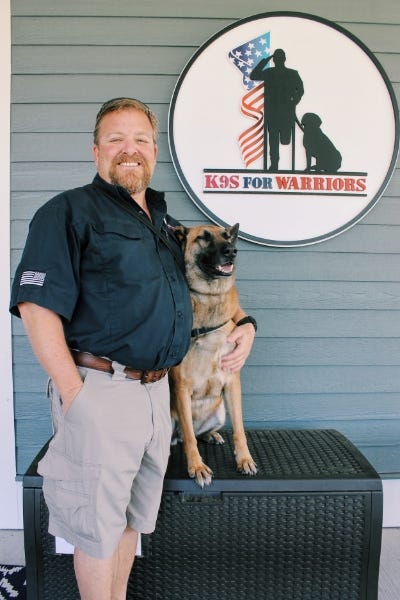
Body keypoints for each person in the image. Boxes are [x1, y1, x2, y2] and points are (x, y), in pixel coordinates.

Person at [10, 97, 256, 600]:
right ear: (96, 150)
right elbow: (37, 307)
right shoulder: (68, 212)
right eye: (117, 139)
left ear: (155, 150)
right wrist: (75, 394)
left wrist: (246, 324)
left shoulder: (164, 225)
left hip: (157, 396)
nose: (130, 150)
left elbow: (205, 288)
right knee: (96, 532)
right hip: (101, 390)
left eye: (141, 139)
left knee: (127, 524)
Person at [250, 49, 304, 171]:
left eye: (280, 58)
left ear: (284, 59)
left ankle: (281, 162)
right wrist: (265, 60)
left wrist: (293, 101)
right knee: (273, 140)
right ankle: (274, 164)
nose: (278, 60)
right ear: (274, 60)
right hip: (272, 112)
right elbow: (254, 76)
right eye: (276, 58)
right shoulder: (269, 73)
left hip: (286, 112)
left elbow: (300, 90)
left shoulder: (292, 73)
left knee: (285, 140)